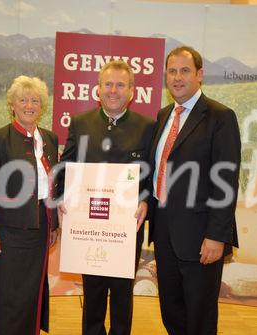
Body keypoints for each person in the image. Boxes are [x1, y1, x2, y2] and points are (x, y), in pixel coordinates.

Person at [147, 46, 241, 335]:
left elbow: (226, 181)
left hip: (201, 237)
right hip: (164, 233)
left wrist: (216, 236)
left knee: (199, 316)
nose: (177, 78)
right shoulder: (164, 115)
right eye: (172, 71)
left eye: (185, 71)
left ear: (200, 75)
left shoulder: (220, 117)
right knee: (172, 310)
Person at [58, 60, 154, 335]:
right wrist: (63, 198)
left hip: (127, 225)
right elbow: (67, 166)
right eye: (108, 84)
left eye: (120, 85)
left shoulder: (147, 126)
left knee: (123, 291)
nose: (113, 90)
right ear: (97, 89)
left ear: (132, 91)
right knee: (94, 289)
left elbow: (151, 173)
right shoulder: (81, 122)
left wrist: (145, 200)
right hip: (90, 224)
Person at [0, 75, 59, 335]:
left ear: (42, 106)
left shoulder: (50, 139)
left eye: (35, 100)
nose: (29, 105)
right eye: (23, 99)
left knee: (30, 295)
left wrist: (54, 223)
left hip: (40, 229)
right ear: (12, 105)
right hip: (8, 232)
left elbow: (52, 185)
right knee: (6, 296)